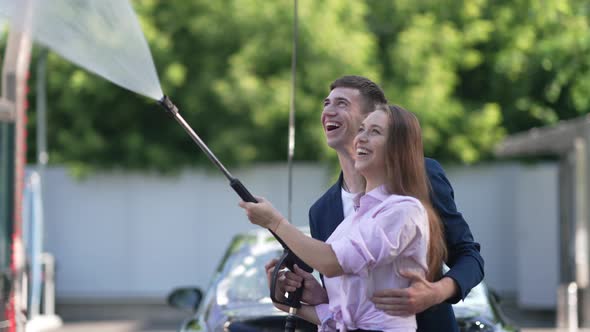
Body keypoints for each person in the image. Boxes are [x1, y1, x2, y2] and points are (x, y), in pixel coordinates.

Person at [270, 76, 484, 332]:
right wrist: (306, 292)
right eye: (326, 103)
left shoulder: (422, 175)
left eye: (342, 104)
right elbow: (351, 305)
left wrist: (436, 293)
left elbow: (470, 257)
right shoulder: (322, 211)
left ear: (374, 117)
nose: (328, 111)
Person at [241, 104, 446, 331]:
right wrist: (291, 303)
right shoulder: (356, 218)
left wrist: (275, 222)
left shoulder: (404, 210)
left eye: (374, 132)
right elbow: (344, 318)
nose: (360, 138)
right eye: (361, 130)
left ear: (397, 149)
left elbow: (332, 262)